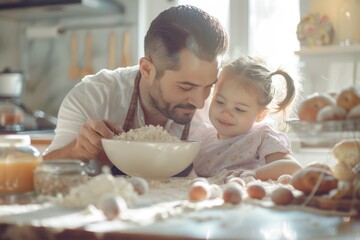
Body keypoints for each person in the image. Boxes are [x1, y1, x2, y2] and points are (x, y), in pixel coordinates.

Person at [43, 5, 229, 175]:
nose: (200, 102)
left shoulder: (221, 109)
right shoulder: (92, 97)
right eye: (186, 87)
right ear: (147, 69)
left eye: (209, 86)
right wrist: (76, 151)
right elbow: (41, 172)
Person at [193, 56, 303, 181]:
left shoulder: (261, 137)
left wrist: (255, 174)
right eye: (220, 102)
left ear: (260, 115)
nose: (226, 112)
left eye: (239, 109)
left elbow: (293, 168)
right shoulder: (203, 136)